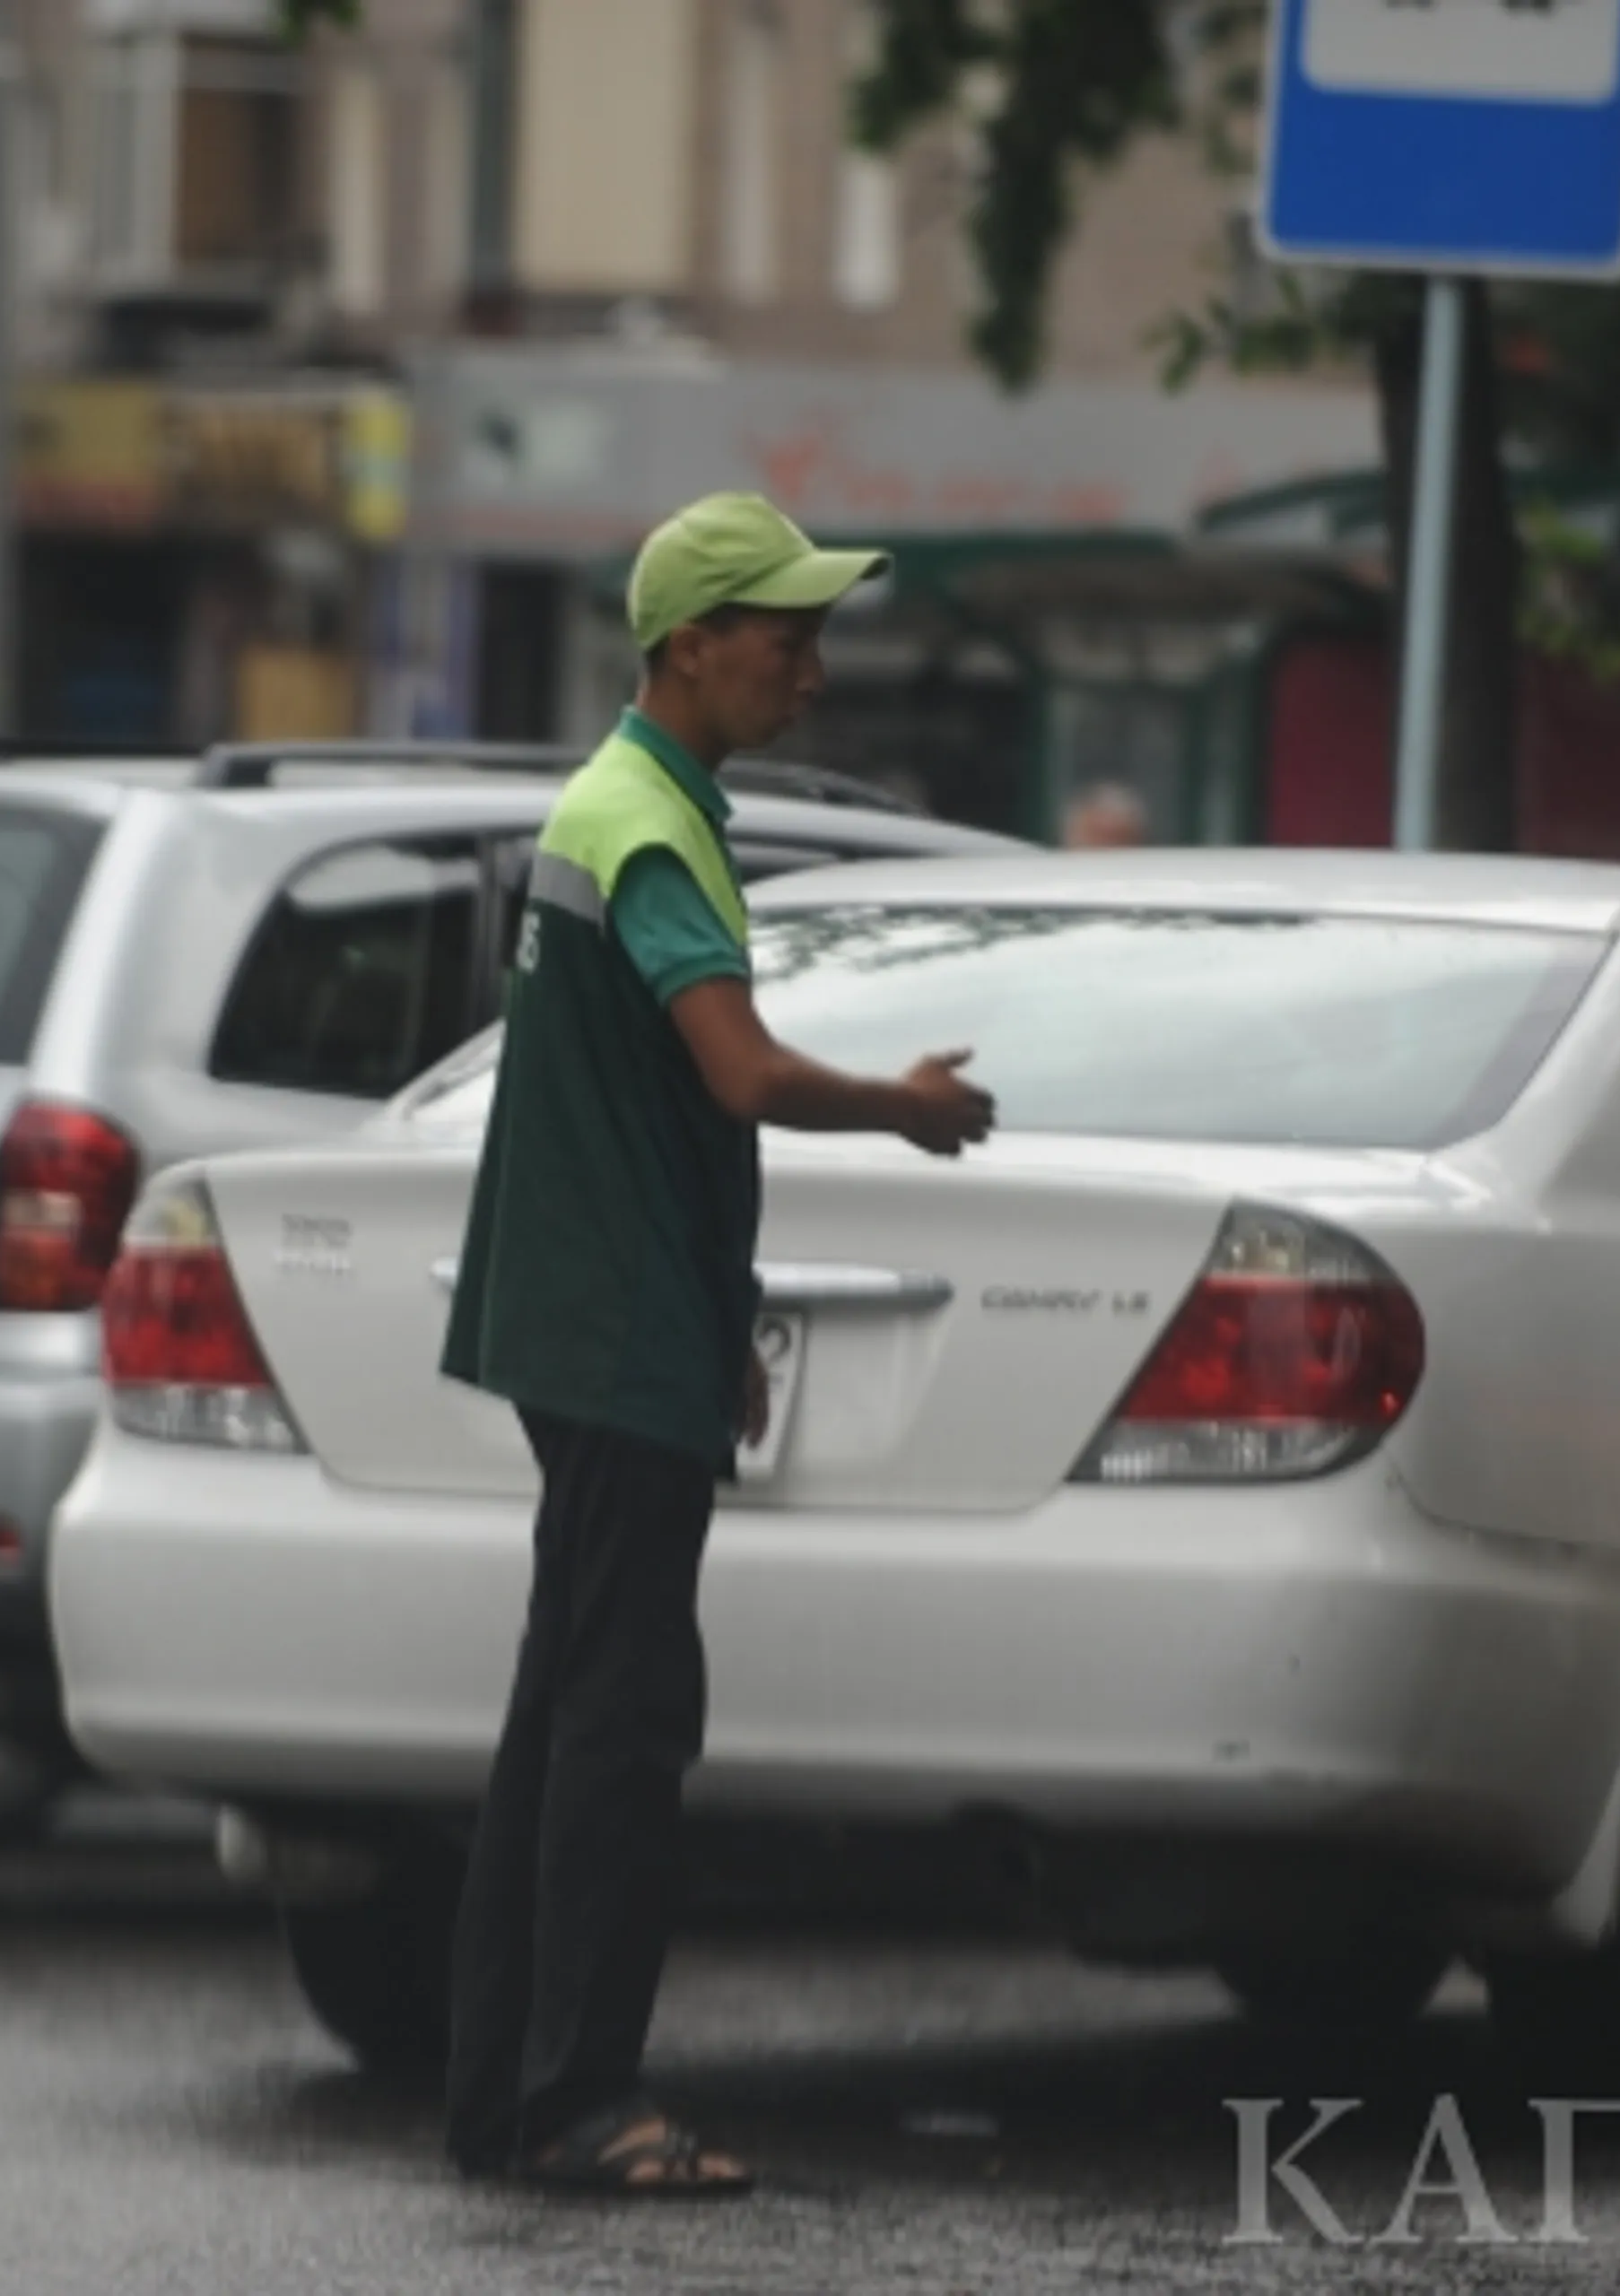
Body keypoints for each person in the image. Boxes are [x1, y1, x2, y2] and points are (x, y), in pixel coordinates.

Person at [436, 492, 998, 2197]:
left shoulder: (608, 803)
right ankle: (584, 2098)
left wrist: (718, 1313)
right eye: (787, 633)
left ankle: (504, 2096)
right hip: (614, 1334)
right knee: (620, 1721)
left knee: (561, 1709)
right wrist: (899, 1109)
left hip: (603, 1321)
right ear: (691, 642)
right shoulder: (656, 833)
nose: (813, 668)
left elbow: (632, 1120)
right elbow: (734, 1076)